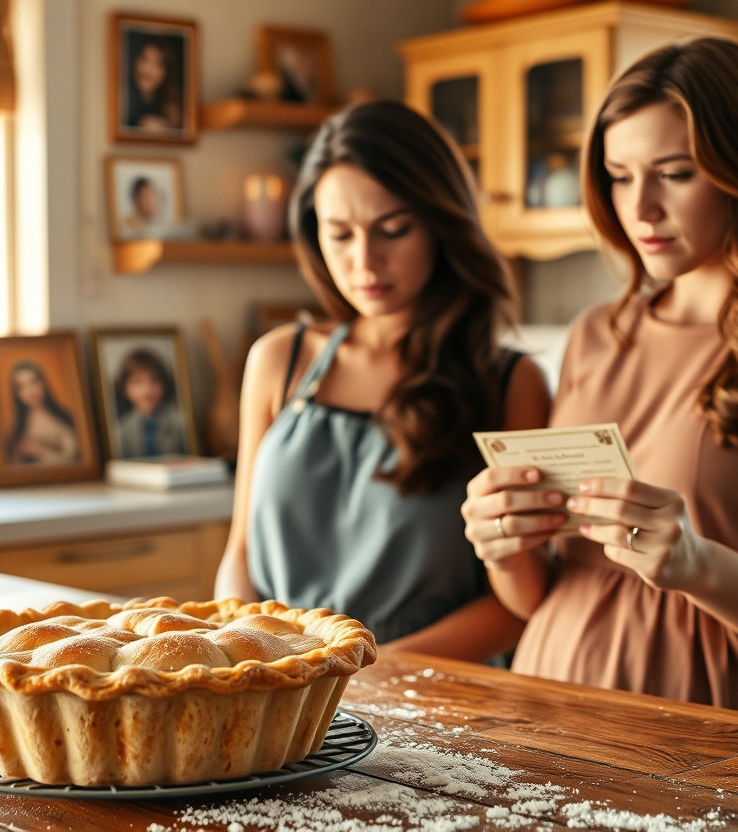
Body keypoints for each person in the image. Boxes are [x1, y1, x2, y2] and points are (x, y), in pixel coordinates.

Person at [461, 37, 738, 724]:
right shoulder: (594, 334)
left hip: (720, 721)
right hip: (550, 708)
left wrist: (698, 565)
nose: (638, 208)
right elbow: (546, 592)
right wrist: (504, 548)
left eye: (674, 173)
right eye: (618, 174)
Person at [213, 100, 552, 663]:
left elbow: (516, 605)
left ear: (442, 224)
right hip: (281, 687)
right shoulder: (279, 360)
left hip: (431, 697)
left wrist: (361, 672)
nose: (365, 262)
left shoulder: (510, 382)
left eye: (392, 229)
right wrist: (243, 656)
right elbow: (240, 553)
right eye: (340, 234)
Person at [112, 347, 187, 458]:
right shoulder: (120, 431)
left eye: (154, 380)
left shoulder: (182, 422)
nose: (147, 389)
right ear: (125, 388)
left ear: (164, 384)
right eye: (138, 382)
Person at [3, 360, 79, 465]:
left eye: (33, 382)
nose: (30, 390)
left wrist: (41, 450)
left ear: (43, 383)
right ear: (17, 393)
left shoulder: (63, 418)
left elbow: (73, 457)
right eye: (22, 386)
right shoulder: (19, 429)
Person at [123, 35, 182, 132]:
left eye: (157, 64)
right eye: (144, 59)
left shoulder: (172, 107)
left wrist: (166, 127)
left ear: (167, 71)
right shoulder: (124, 97)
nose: (148, 70)